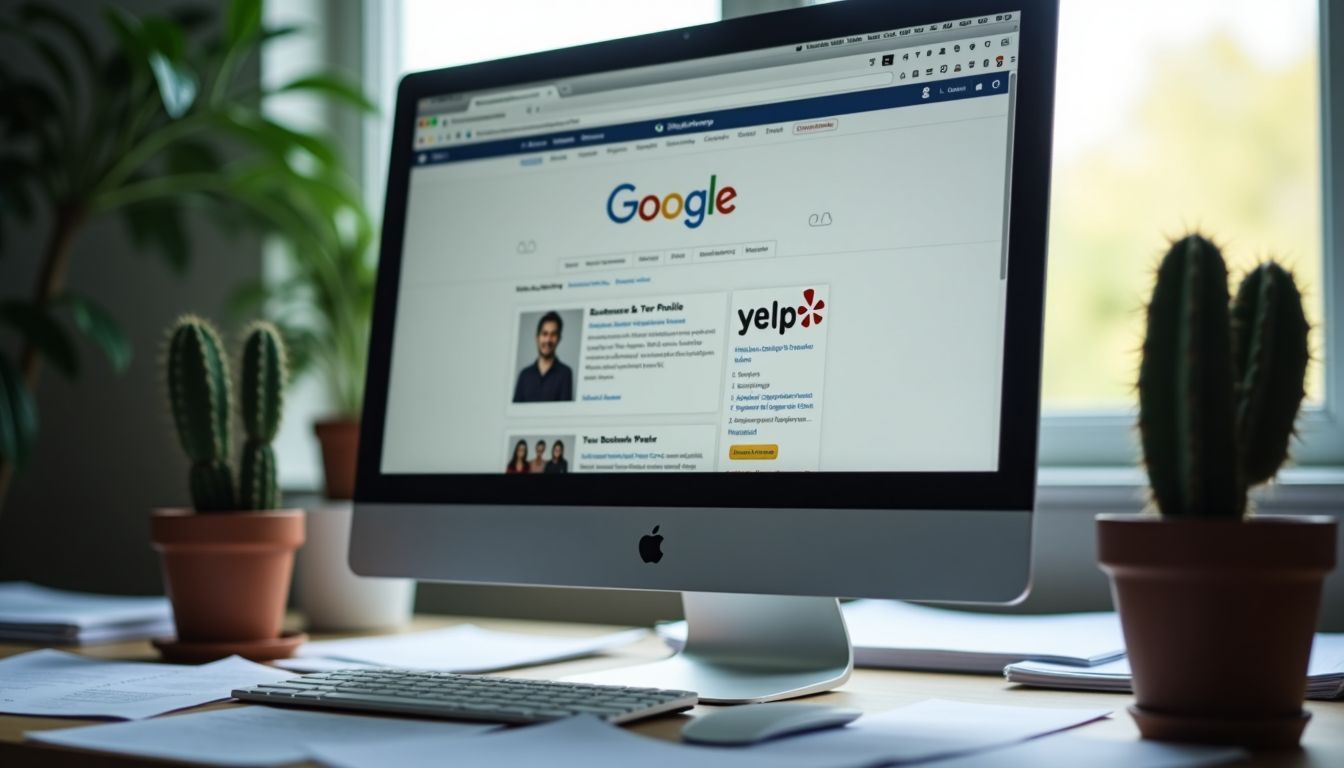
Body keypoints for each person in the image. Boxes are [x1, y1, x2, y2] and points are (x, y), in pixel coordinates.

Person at [513, 311, 573, 403]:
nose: (548, 340)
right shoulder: (524, 375)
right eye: (544, 334)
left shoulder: (565, 374)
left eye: (553, 334)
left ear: (559, 339)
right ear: (537, 337)